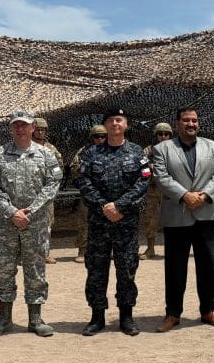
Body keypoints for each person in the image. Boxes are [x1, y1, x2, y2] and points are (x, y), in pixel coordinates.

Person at [0, 110, 62, 338]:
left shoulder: (46, 155)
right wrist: (11, 212)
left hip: (35, 223)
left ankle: (35, 319)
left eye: (24, 125)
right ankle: (4, 318)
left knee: (35, 269)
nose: (20, 129)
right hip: (6, 224)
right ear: (11, 128)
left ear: (33, 127)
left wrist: (31, 210)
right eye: (16, 125)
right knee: (4, 270)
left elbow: (53, 184)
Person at [152, 107, 214, 331]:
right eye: (186, 120)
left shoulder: (212, 146)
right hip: (177, 214)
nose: (191, 124)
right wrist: (185, 195)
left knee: (208, 266)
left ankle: (209, 310)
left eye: (194, 120)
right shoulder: (162, 149)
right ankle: (173, 313)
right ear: (177, 123)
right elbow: (161, 177)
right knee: (175, 267)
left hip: (206, 213)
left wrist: (203, 196)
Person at [75, 108, 150, 336]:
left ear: (126, 124)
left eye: (119, 120)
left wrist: (120, 206)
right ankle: (97, 317)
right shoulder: (92, 153)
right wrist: (104, 206)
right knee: (96, 270)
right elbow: (83, 181)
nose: (115, 123)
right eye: (111, 120)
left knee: (126, 269)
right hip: (99, 222)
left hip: (126, 222)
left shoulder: (137, 152)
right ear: (105, 125)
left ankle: (126, 317)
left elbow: (143, 182)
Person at [71, 124, 108, 263]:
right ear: (92, 138)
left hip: (107, 193)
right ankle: (83, 250)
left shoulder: (113, 151)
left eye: (102, 136)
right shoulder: (84, 152)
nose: (100, 139)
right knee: (84, 222)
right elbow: (74, 169)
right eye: (96, 137)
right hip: (88, 192)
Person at [32, 117, 64, 264]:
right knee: (26, 224)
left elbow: (59, 166)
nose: (40, 132)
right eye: (38, 129)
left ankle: (44, 253)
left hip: (46, 193)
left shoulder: (51, 148)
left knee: (47, 224)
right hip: (28, 192)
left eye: (43, 130)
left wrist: (54, 182)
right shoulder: (25, 146)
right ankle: (24, 255)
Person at [139, 122, 172, 259]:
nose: (163, 136)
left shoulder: (176, 150)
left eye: (166, 134)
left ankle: (174, 250)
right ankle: (150, 248)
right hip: (152, 190)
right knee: (151, 219)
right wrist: (149, 168)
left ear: (170, 135)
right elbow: (141, 168)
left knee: (173, 220)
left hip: (170, 191)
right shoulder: (148, 150)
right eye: (160, 134)